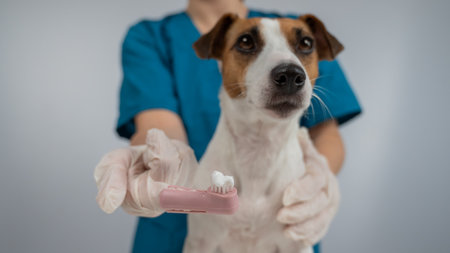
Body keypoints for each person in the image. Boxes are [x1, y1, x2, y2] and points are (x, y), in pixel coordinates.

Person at [94, 0, 361, 252]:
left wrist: (319, 180)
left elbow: (327, 132)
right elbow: (157, 124)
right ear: (219, 57)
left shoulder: (299, 26)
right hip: (177, 231)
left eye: (302, 46)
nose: (288, 70)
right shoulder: (150, 37)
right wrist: (163, 159)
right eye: (247, 43)